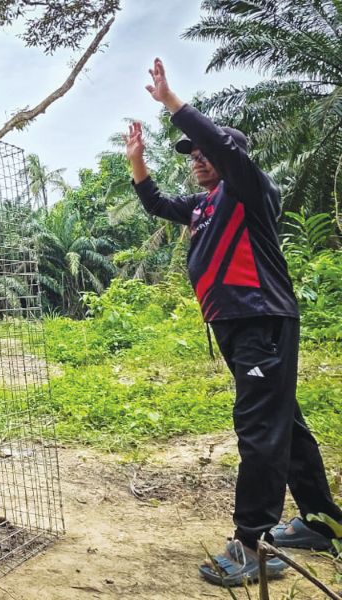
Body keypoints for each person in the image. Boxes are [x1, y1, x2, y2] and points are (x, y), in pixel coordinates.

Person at [123, 57, 342, 586]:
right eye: (192, 155)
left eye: (206, 152)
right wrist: (137, 164)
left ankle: (253, 544)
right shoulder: (204, 206)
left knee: (259, 428)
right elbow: (155, 203)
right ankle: (320, 522)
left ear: (232, 156)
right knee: (282, 423)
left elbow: (219, 145)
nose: (198, 159)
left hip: (260, 320)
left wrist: (172, 103)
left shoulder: (250, 189)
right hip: (240, 327)